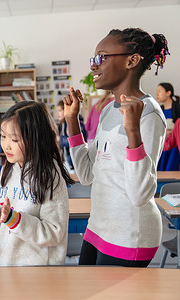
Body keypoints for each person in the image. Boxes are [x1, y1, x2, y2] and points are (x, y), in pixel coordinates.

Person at [63, 28, 169, 267]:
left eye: (101, 57)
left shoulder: (149, 114)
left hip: (130, 234)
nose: (93, 66)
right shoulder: (108, 110)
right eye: (94, 59)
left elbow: (140, 194)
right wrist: (72, 122)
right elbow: (87, 175)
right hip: (99, 226)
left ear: (131, 60)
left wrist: (133, 131)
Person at [0, 101, 73, 266]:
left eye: (14, 139)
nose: (6, 145)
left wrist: (15, 219)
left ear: (36, 139)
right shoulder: (9, 169)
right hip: (5, 265)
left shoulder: (49, 176)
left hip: (38, 274)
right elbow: (0, 224)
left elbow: (53, 233)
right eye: (3, 136)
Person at [56, 100, 87, 172]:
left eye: (60, 110)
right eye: (57, 111)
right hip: (67, 160)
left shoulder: (72, 123)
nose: (57, 113)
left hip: (74, 161)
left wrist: (59, 139)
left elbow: (76, 142)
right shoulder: (62, 124)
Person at [156, 83, 180, 171]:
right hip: (164, 143)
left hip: (175, 147)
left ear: (168, 93)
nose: (157, 94)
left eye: (160, 91)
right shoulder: (158, 110)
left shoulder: (177, 108)